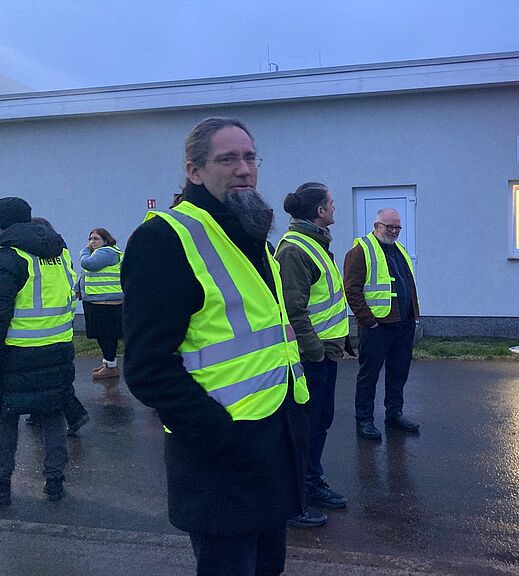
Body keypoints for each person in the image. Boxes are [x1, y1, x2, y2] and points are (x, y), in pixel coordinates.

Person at [122, 117, 309, 576]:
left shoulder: (248, 230)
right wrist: (219, 434)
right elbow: (147, 367)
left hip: (273, 443)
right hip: (221, 458)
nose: (244, 169)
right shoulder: (165, 239)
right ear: (194, 171)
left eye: (250, 157)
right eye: (227, 159)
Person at [276, 182, 349, 529]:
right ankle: (295, 498)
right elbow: (294, 310)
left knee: (319, 422)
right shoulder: (295, 250)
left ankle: (311, 482)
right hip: (311, 357)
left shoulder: (316, 244)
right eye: (331, 203)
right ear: (319, 211)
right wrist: (316, 351)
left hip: (325, 354)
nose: (335, 208)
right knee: (303, 428)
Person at [0, 197, 76, 505]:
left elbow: (1, 310)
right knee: (53, 413)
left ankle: (2, 486)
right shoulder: (60, 252)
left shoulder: (10, 256)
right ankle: (55, 481)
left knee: (6, 418)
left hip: (17, 353)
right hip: (59, 348)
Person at [344, 208, 420, 440]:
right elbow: (352, 290)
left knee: (398, 372)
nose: (394, 231)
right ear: (376, 226)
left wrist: (413, 317)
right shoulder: (360, 251)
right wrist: (368, 321)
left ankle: (394, 414)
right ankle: (364, 420)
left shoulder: (399, 250)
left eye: (398, 227)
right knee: (369, 375)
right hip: (377, 327)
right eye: (390, 227)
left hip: (403, 324)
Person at [23, 217, 89, 436]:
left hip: (33, 328)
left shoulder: (25, 255)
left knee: (40, 377)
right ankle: (40, 413)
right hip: (60, 325)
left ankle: (73, 415)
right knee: (51, 378)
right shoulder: (61, 253)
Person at [77, 227, 123, 379]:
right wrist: (77, 288)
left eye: (96, 239)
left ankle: (111, 367)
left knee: (106, 335)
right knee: (104, 336)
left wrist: (85, 250)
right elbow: (85, 274)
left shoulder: (107, 252)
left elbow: (88, 264)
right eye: (90, 239)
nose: (92, 242)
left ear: (105, 240)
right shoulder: (99, 253)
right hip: (98, 301)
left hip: (105, 302)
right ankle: (108, 364)